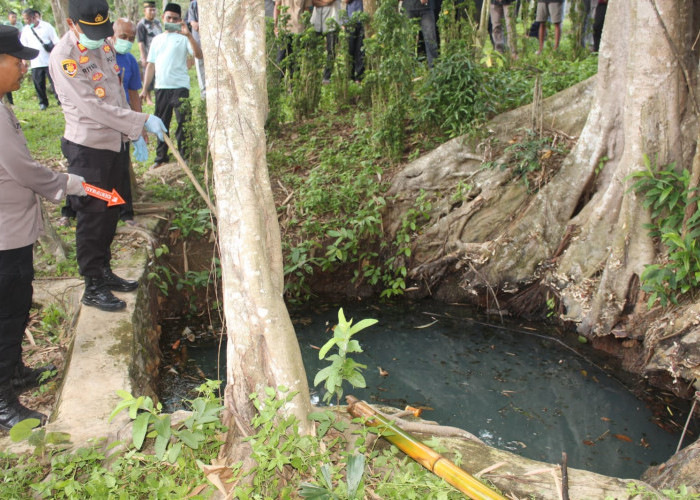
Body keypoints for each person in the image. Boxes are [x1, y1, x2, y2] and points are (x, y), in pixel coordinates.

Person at [49, 0, 167, 312]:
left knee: (112, 210)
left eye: (103, 31)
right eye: (92, 31)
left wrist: (133, 131)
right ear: (73, 24)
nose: (100, 38)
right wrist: (140, 122)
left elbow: (114, 92)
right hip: (88, 151)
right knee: (93, 215)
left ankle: (104, 270)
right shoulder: (65, 57)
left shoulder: (104, 45)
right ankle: (92, 285)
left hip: (114, 145)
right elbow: (92, 106)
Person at [0, 25, 87, 430]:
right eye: (16, 60)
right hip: (3, 239)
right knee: (6, 313)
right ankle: (3, 401)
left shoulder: (3, 105)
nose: (23, 66)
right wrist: (65, 183)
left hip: (13, 232)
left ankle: (15, 372)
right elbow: (21, 169)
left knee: (17, 308)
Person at [140, 3, 203, 168]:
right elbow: (150, 65)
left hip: (181, 87)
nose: (171, 20)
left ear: (180, 20)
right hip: (161, 87)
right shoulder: (157, 40)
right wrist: (145, 88)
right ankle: (161, 157)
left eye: (175, 18)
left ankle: (185, 155)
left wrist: (189, 35)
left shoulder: (183, 39)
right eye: (169, 18)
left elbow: (198, 54)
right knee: (161, 123)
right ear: (163, 18)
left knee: (184, 122)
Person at [113, 18, 145, 225]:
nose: (126, 41)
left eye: (131, 39)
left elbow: (134, 94)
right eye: (123, 37)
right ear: (112, 33)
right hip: (100, 121)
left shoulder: (130, 60)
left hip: (123, 120)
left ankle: (126, 213)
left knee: (121, 167)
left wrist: (140, 125)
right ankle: (71, 210)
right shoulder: (100, 56)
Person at [19, 8, 59, 110]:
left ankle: (60, 99)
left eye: (27, 18)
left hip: (49, 60)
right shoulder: (26, 30)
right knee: (39, 84)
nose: (26, 21)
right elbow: (23, 47)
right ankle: (43, 103)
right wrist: (24, 61)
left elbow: (56, 41)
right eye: (24, 19)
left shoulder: (47, 26)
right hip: (36, 62)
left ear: (33, 17)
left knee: (55, 82)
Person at [273, 0, 311, 78]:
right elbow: (307, 10)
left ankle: (281, 85)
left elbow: (277, 6)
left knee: (281, 60)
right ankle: (292, 86)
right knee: (295, 62)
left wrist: (275, 25)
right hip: (298, 30)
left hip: (284, 28)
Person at [136, 1, 162, 105]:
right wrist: (143, 56)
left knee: (157, 75)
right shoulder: (141, 24)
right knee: (148, 76)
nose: (152, 12)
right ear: (144, 11)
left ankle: (156, 96)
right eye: (150, 10)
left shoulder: (157, 22)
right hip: (148, 53)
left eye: (153, 10)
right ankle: (148, 98)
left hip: (159, 54)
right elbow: (140, 42)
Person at [311, 0, 341, 83]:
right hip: (317, 21)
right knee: (313, 49)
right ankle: (314, 75)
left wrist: (321, 2)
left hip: (332, 19)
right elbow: (312, 2)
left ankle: (327, 77)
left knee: (331, 49)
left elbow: (330, 1)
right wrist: (325, 3)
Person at [402, 0, 438, 68]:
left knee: (431, 40)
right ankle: (409, 71)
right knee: (408, 42)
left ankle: (434, 72)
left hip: (426, 8)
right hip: (408, 7)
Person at [184, 0, 205, 98]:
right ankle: (204, 93)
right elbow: (193, 24)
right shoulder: (194, 4)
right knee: (200, 67)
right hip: (198, 43)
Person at [345, 0, 364, 82]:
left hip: (364, 20)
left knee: (361, 51)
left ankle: (359, 78)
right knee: (350, 50)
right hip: (350, 20)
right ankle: (350, 78)